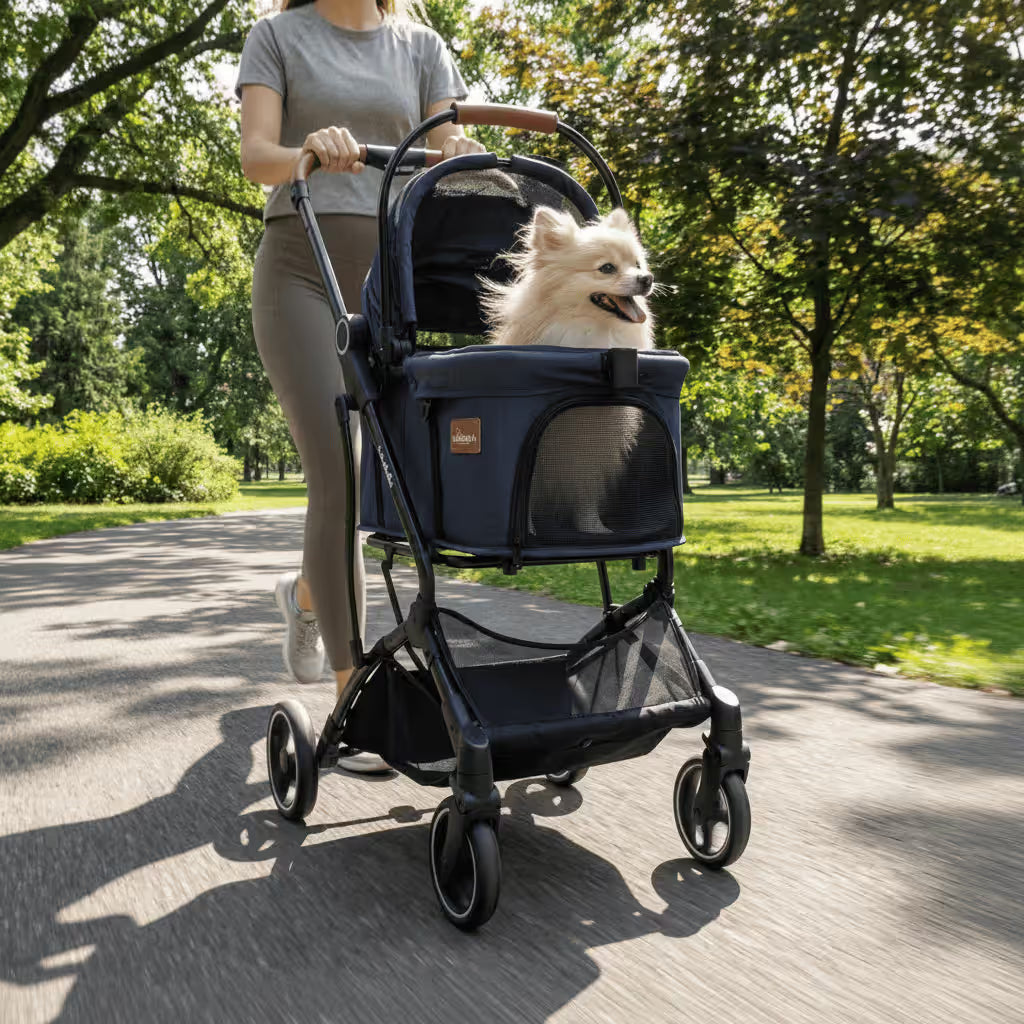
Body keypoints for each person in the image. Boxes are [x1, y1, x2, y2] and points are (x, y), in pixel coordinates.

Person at [236, 0, 483, 771]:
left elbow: (448, 145)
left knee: (398, 480)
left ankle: (308, 596)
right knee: (337, 473)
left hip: (391, 278)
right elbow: (255, 156)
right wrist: (306, 151)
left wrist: (459, 150)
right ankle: (354, 695)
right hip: (299, 268)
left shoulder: (421, 46)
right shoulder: (275, 36)